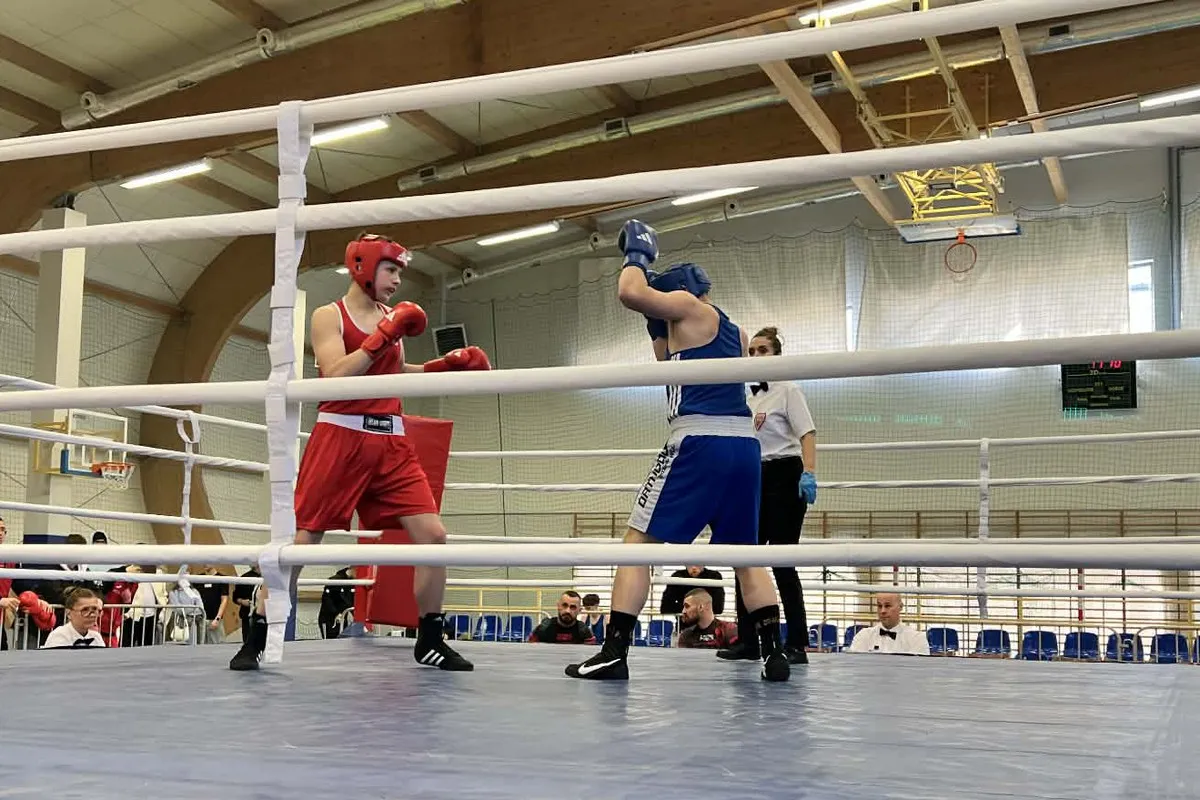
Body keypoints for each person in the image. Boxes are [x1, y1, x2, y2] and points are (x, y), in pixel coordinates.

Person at [230, 233, 491, 672]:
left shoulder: (391, 317)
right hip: (341, 436)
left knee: (433, 537)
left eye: (400, 273)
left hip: (392, 440)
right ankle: (256, 636)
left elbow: (394, 372)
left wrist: (444, 367)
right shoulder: (329, 315)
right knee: (302, 543)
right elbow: (335, 375)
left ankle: (429, 639)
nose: (397, 280)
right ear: (363, 267)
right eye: (391, 270)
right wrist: (384, 335)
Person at [565, 219, 789, 682]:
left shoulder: (689, 306)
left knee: (637, 546)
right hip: (743, 448)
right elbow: (668, 363)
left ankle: (613, 652)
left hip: (699, 442)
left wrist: (637, 256)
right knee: (746, 555)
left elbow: (629, 291)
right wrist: (654, 322)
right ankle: (774, 654)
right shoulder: (733, 332)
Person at [718, 326, 817, 665]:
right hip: (751, 476)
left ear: (776, 355)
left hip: (785, 473)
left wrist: (809, 472)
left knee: (782, 560)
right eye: (752, 351)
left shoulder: (788, 389)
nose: (756, 356)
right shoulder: (745, 397)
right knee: (746, 559)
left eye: (763, 350)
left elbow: (807, 433)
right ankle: (749, 641)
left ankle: (797, 643)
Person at [847, 593, 929, 656]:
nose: (882, 611)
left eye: (887, 606)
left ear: (900, 607)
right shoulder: (863, 636)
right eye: (879, 606)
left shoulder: (916, 639)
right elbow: (855, 667)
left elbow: (920, 670)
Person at [529, 591, 596, 644]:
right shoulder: (543, 628)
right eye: (564, 605)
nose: (567, 611)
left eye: (573, 607)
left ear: (579, 610)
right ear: (558, 606)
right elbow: (530, 652)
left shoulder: (585, 632)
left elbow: (590, 655)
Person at [659, 565, 724, 615]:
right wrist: (697, 608)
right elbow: (665, 608)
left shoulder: (714, 576)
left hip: (707, 624)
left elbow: (718, 608)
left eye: (698, 563)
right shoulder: (677, 576)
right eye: (690, 563)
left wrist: (688, 608)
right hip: (685, 624)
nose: (694, 567)